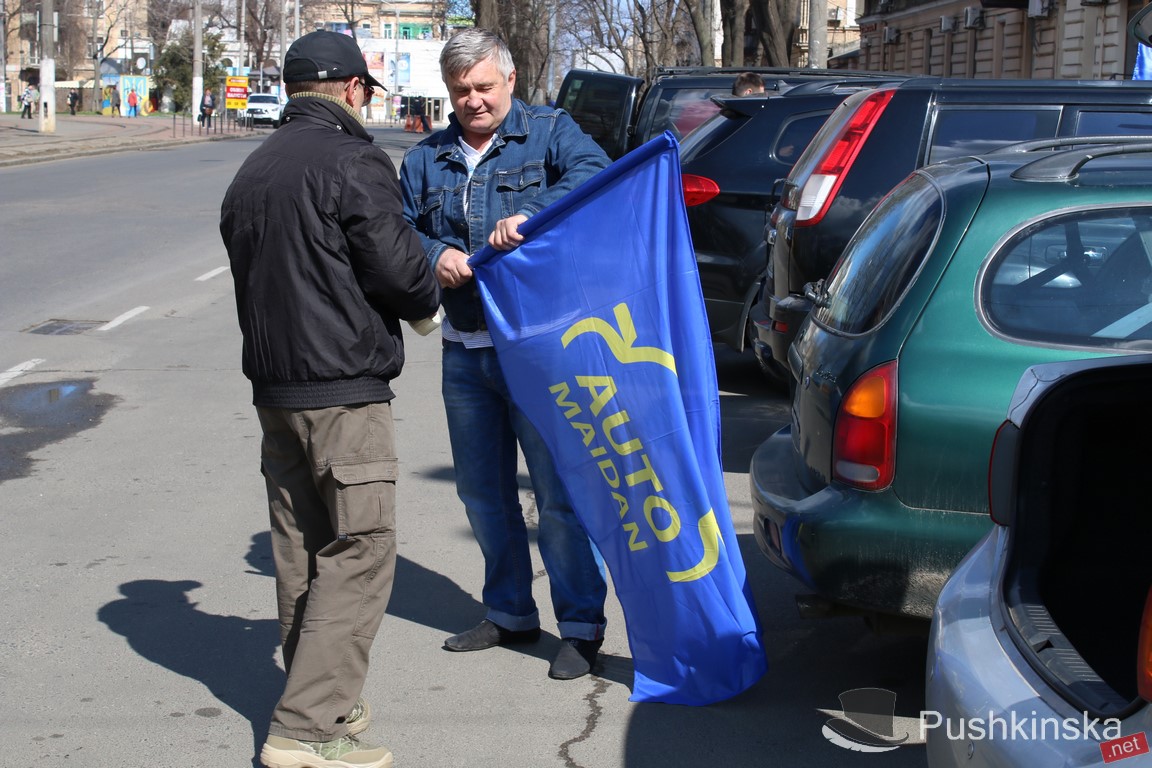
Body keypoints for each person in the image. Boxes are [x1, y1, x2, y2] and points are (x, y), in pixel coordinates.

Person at [219, 29, 440, 768]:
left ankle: (328, 704)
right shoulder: (354, 160)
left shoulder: (252, 171)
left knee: (304, 553)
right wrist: (426, 299)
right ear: (353, 90)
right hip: (342, 391)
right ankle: (307, 727)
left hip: (275, 391)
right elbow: (401, 271)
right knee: (362, 550)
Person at [399, 28, 611, 681]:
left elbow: (596, 176)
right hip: (464, 351)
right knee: (482, 495)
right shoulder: (425, 160)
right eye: (461, 90)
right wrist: (438, 257)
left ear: (509, 82)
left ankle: (580, 626)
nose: (473, 101)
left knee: (558, 497)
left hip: (538, 349)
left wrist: (532, 218)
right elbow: (397, 230)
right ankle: (511, 613)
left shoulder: (549, 132)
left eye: (484, 87)